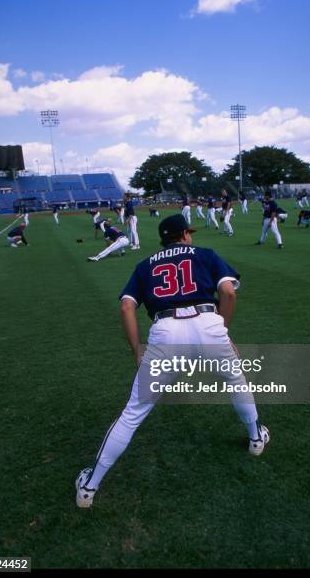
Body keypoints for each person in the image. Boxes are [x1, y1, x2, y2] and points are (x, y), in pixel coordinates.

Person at [76, 214, 270, 508]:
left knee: (134, 411)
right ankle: (256, 438)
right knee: (235, 380)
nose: (191, 235)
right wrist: (223, 331)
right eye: (188, 232)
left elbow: (127, 308)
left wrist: (136, 350)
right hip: (208, 324)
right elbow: (228, 292)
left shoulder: (145, 265)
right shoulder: (205, 254)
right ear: (183, 234)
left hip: (165, 333)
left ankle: (90, 486)